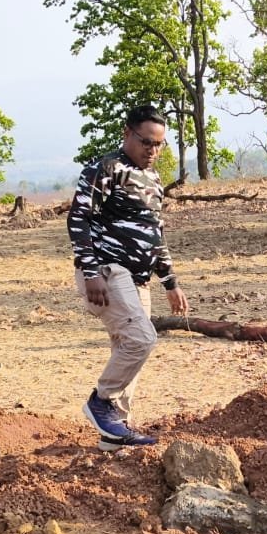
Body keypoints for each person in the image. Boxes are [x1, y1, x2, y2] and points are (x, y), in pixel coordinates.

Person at [67, 104, 189, 451]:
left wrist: (171, 282)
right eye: (146, 142)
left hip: (139, 279)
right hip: (108, 270)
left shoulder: (152, 179)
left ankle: (116, 433)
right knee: (142, 339)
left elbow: (155, 234)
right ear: (127, 134)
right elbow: (79, 219)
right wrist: (91, 272)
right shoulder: (106, 168)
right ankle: (100, 402)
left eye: (159, 144)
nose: (152, 151)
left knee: (128, 348)